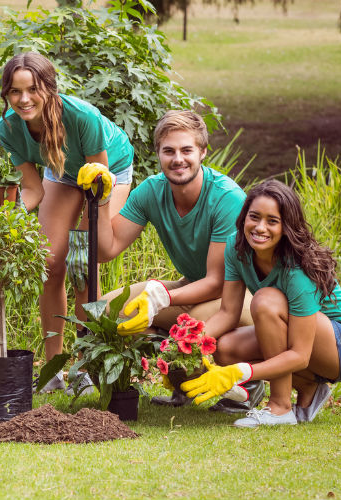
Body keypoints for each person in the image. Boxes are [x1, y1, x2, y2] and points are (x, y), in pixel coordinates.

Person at [81, 110, 262, 411]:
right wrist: (101, 200)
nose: (178, 159)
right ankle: (182, 384)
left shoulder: (225, 198)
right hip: (193, 287)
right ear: (158, 155)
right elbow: (105, 250)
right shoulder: (152, 191)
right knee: (106, 315)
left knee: (191, 328)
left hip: (240, 294)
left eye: (187, 150)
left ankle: (245, 382)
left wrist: (160, 298)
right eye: (169, 151)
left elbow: (217, 281)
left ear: (203, 152)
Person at [0, 52, 135, 393]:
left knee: (82, 266)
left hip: (106, 173)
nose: (24, 99)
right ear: (7, 94)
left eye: (32, 89)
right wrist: (4, 219)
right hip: (60, 173)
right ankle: (54, 371)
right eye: (15, 91)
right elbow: (32, 190)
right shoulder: (8, 128)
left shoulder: (82, 117)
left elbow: (98, 183)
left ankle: (85, 368)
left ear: (49, 88)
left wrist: (83, 238)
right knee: (49, 264)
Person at [181, 180, 341, 427]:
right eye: (254, 217)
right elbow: (227, 313)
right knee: (225, 348)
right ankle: (308, 385)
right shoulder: (236, 248)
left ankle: (280, 408)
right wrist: (186, 345)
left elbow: (300, 356)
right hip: (304, 337)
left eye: (272, 221)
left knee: (266, 300)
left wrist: (241, 372)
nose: (260, 228)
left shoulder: (295, 269)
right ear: (243, 217)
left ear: (286, 227)